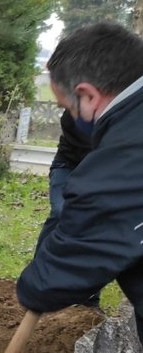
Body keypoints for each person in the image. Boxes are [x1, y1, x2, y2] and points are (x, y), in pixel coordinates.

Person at [16, 22, 143, 342]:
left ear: (87, 94)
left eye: (67, 108)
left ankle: (88, 302)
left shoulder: (121, 161)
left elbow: (58, 274)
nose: (68, 117)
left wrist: (32, 285)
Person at [33, 109, 100, 308]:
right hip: (67, 164)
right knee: (61, 212)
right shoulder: (78, 107)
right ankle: (38, 273)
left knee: (95, 225)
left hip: (101, 171)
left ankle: (90, 299)